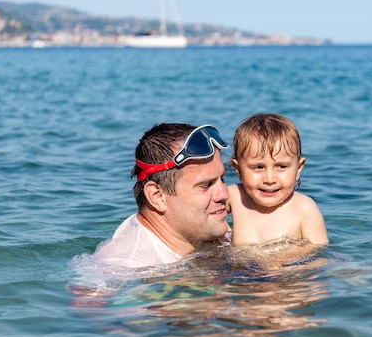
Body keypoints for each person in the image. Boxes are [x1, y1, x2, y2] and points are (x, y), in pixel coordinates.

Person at [93, 123, 230, 268]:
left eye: (222, 179)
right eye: (205, 185)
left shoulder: (205, 236)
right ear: (157, 196)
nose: (224, 194)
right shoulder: (126, 266)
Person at [227, 113, 329, 246]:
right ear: (238, 169)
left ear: (298, 169)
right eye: (258, 167)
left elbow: (319, 252)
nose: (269, 179)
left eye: (281, 166)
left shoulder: (304, 208)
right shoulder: (235, 197)